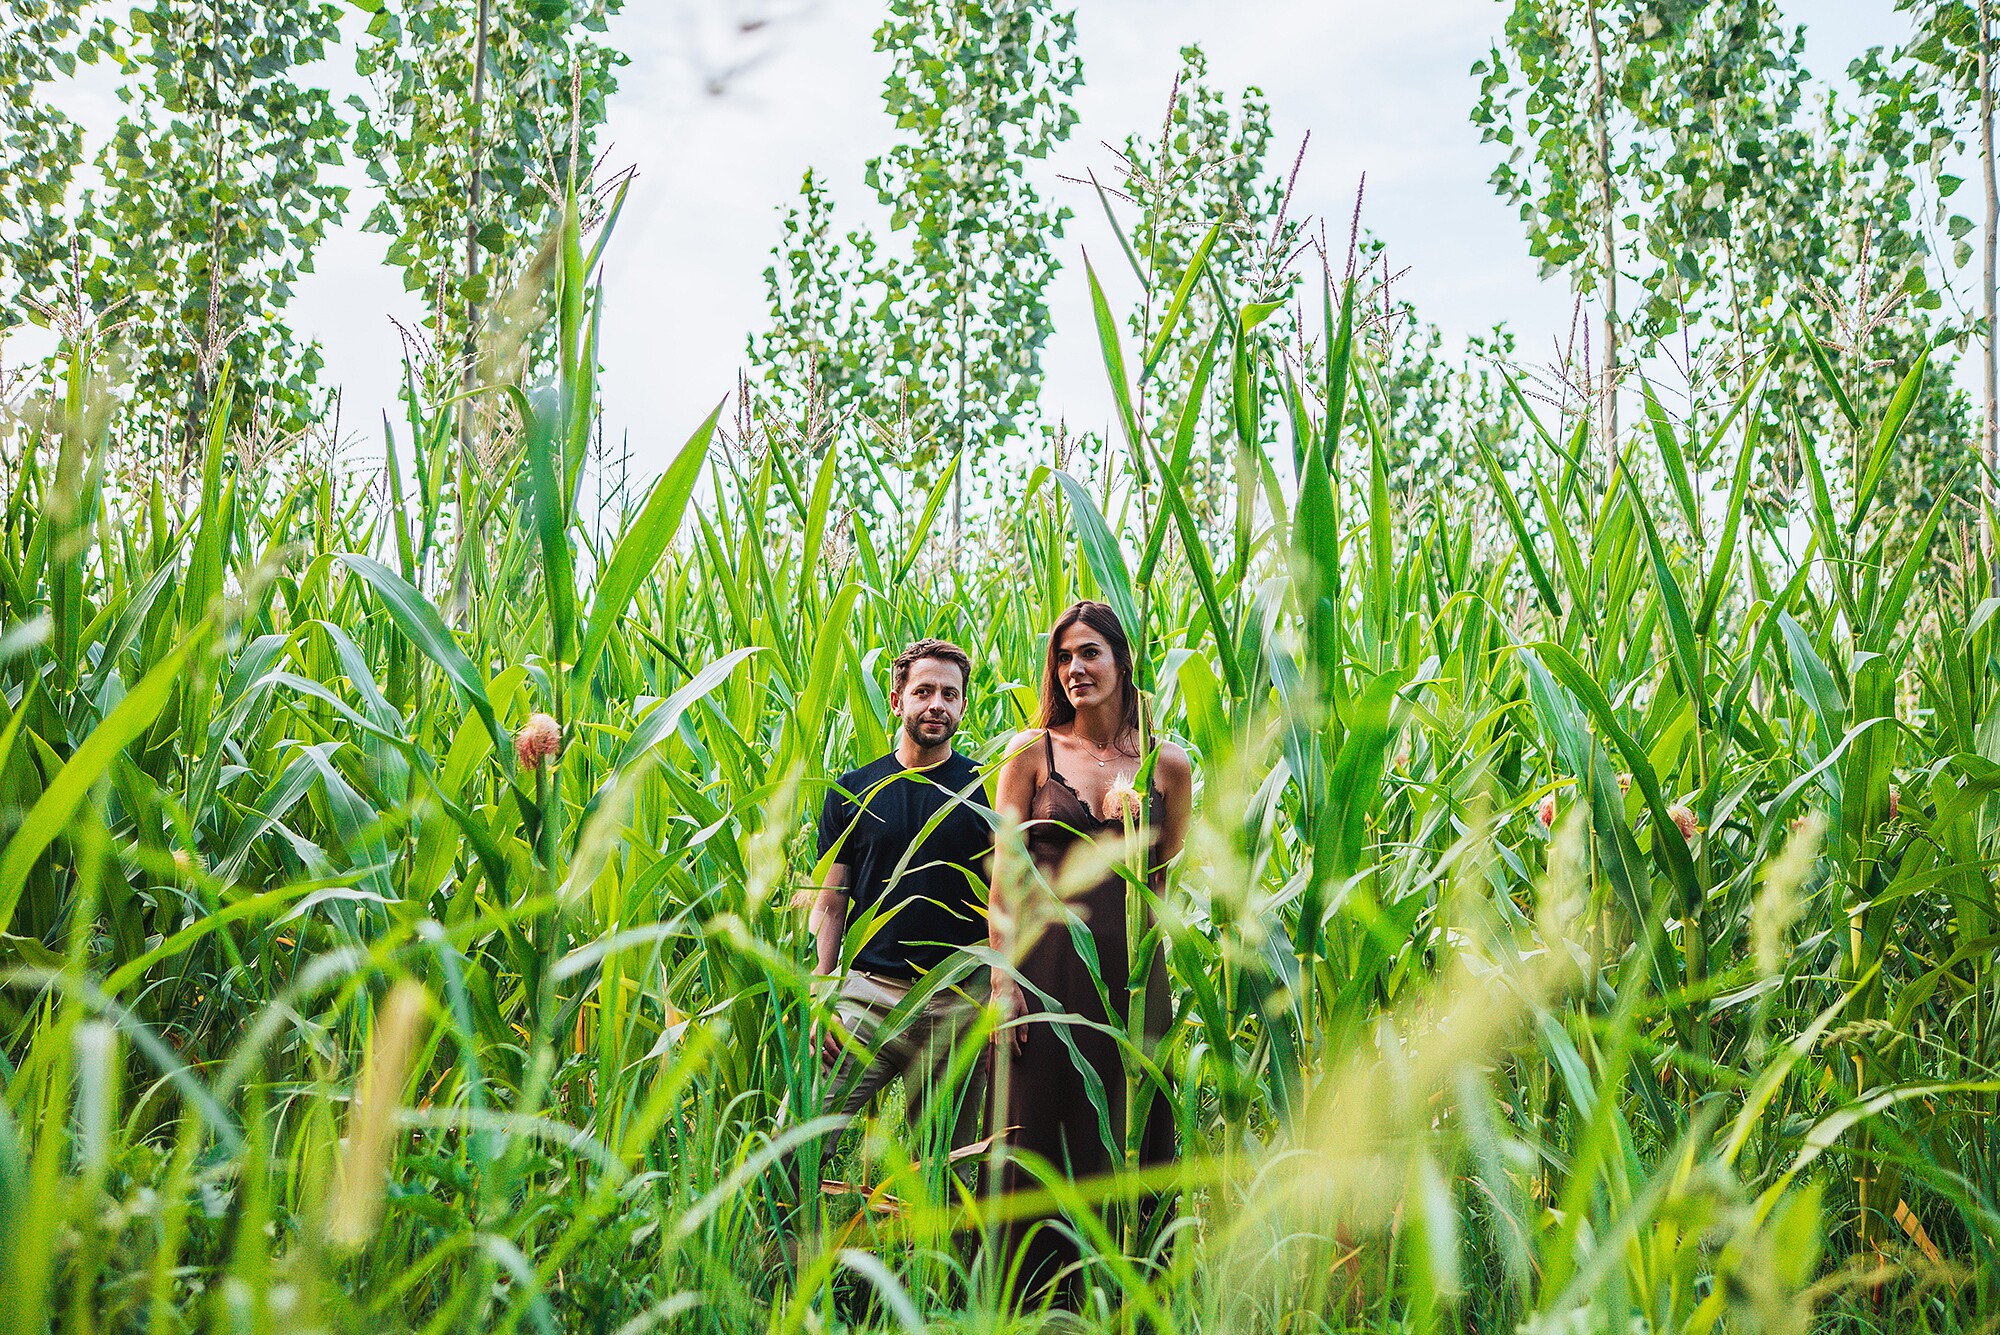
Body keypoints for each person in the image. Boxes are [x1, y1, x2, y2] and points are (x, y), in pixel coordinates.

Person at [988, 600, 1193, 1303]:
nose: (1074, 668)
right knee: (1039, 1122)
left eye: (1089, 653)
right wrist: (1002, 979)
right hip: (1043, 971)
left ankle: (1135, 1289)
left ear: (1121, 660)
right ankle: (1033, 1299)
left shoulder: (1168, 762)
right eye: (1063, 657)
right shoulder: (1030, 753)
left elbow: (1162, 877)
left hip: (1134, 975)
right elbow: (1003, 876)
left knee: (1132, 1120)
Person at [809, 637, 993, 1174]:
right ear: (897, 701)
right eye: (924, 691)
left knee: (946, 1174)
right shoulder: (851, 790)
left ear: (962, 706)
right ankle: (791, 1257)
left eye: (950, 694)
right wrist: (822, 984)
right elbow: (832, 899)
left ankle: (930, 1263)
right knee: (795, 1145)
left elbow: (1005, 896)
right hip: (868, 1000)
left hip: (957, 1007)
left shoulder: (986, 790)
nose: (936, 704)